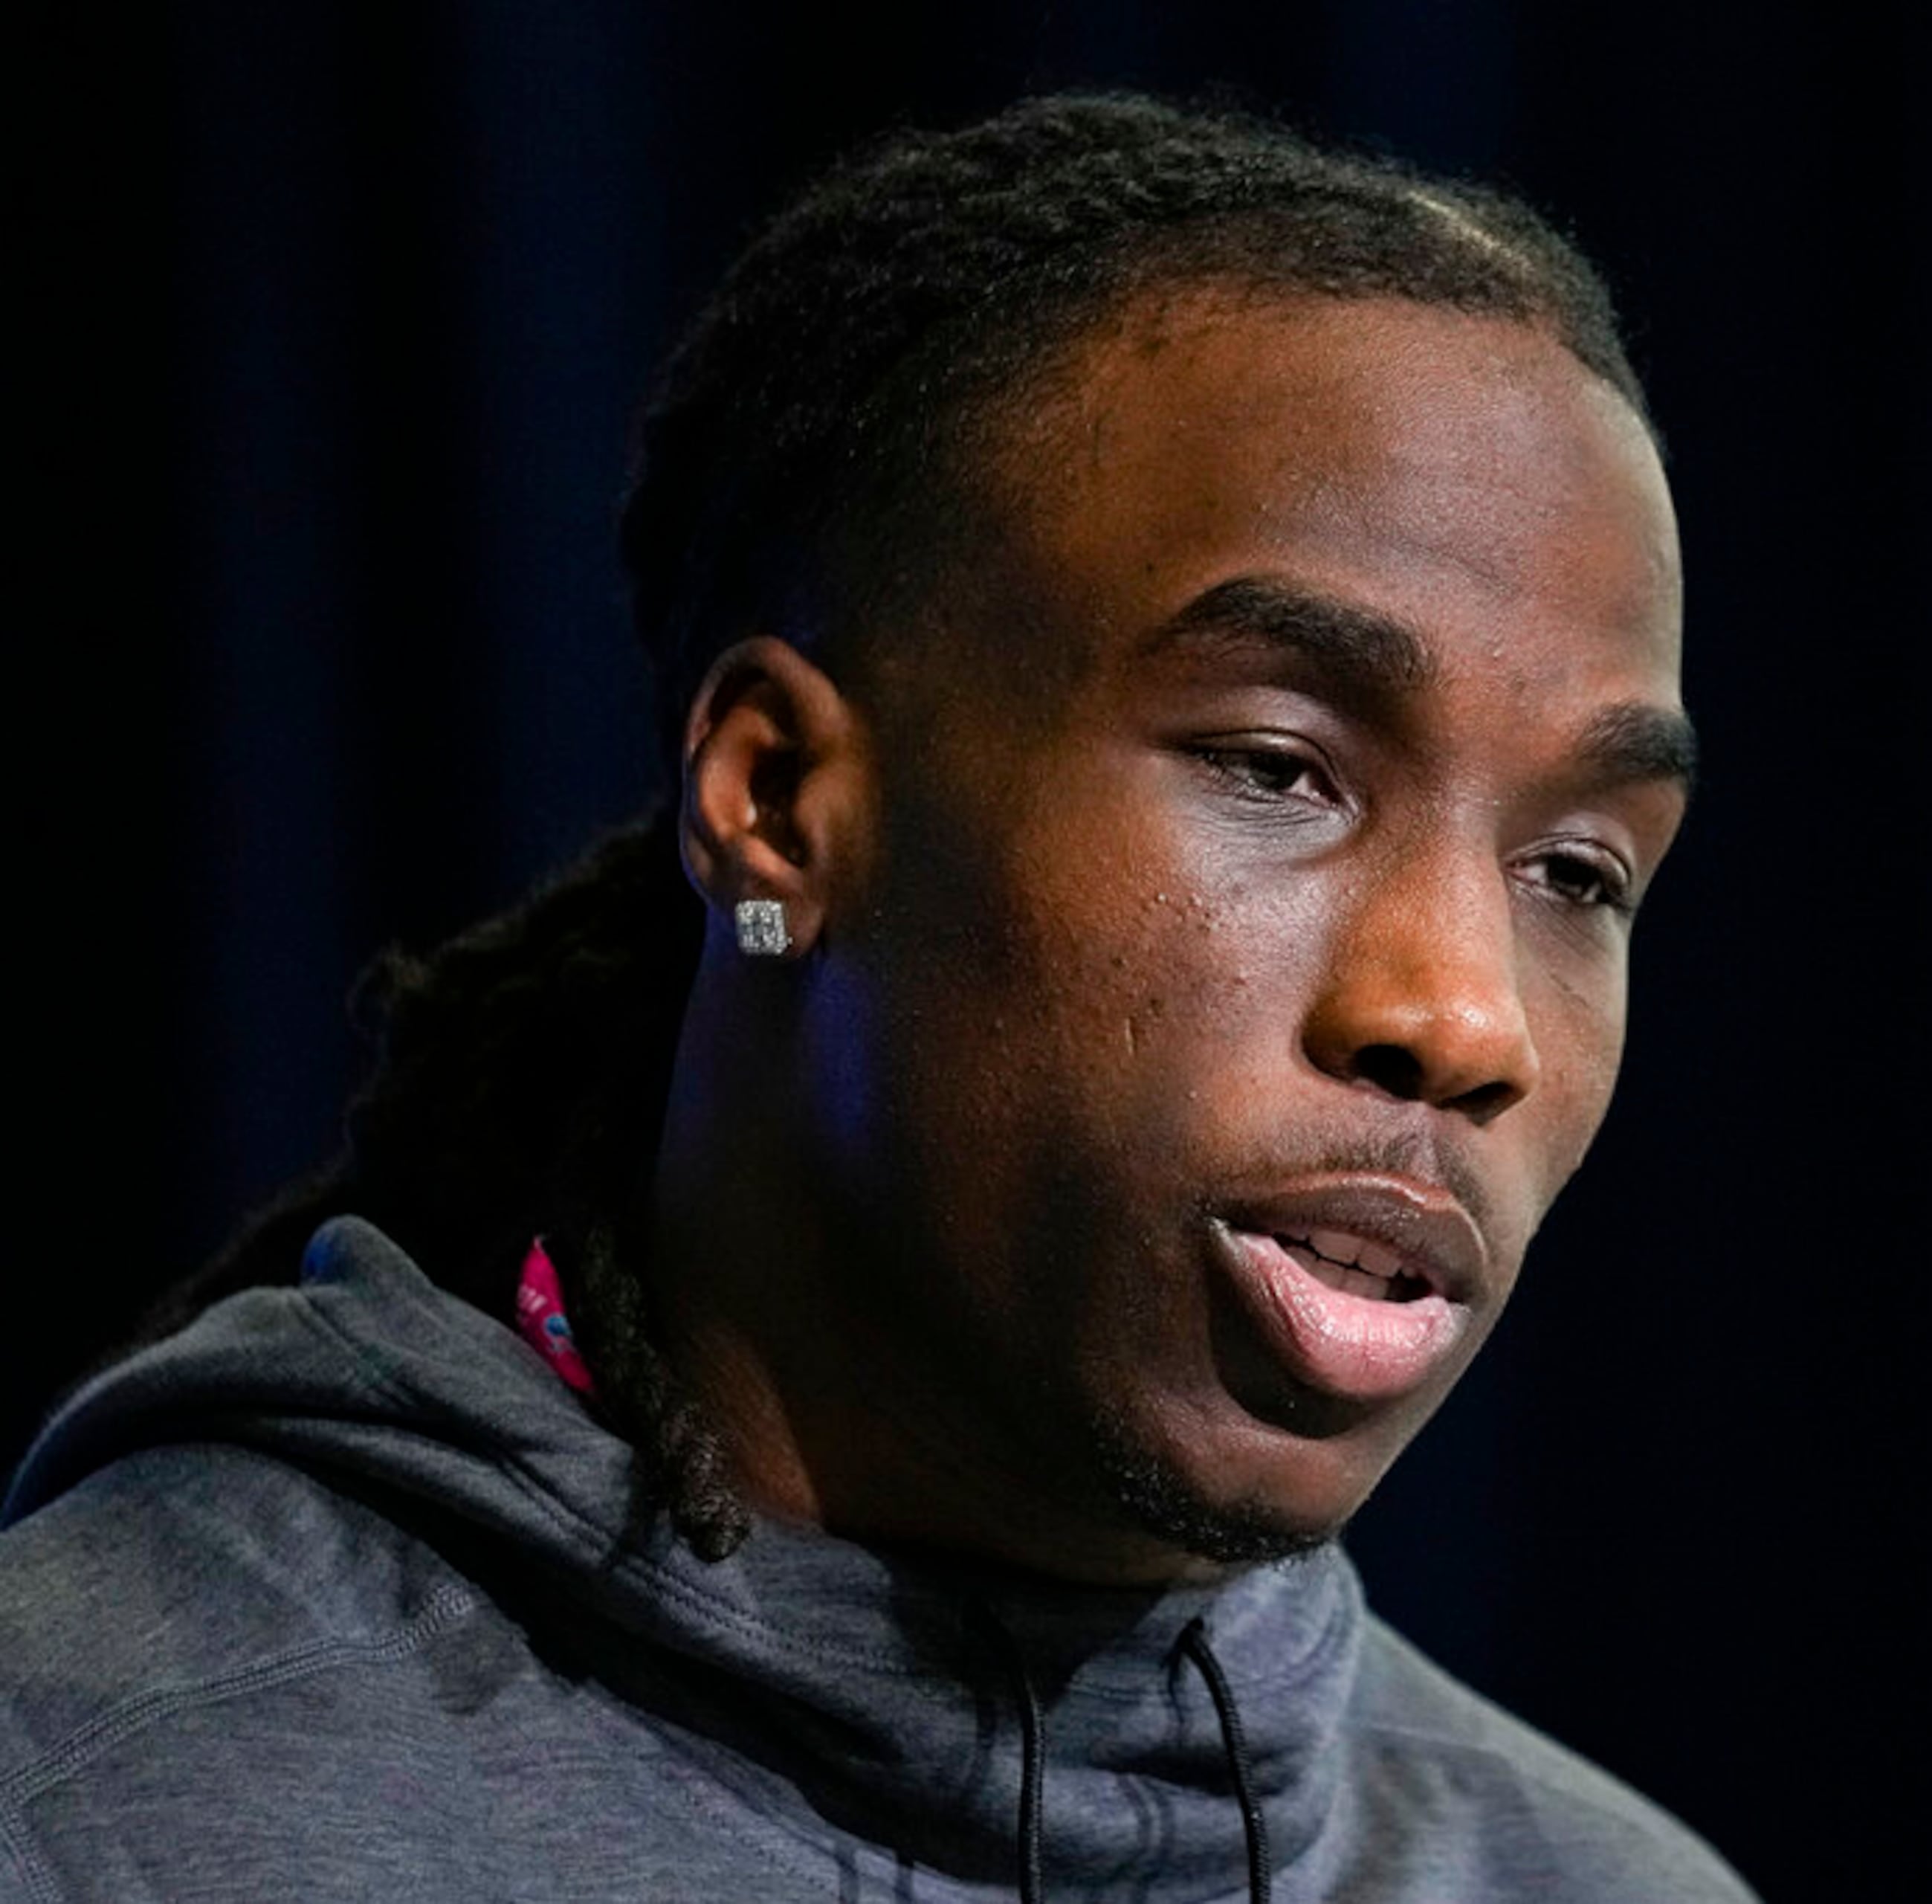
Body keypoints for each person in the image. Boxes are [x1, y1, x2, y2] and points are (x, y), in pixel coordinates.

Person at [0, 94, 1746, 1902]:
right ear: (775, 808)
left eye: (1577, 873)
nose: (1467, 1020)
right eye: (1275, 766)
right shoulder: (92, 1799)